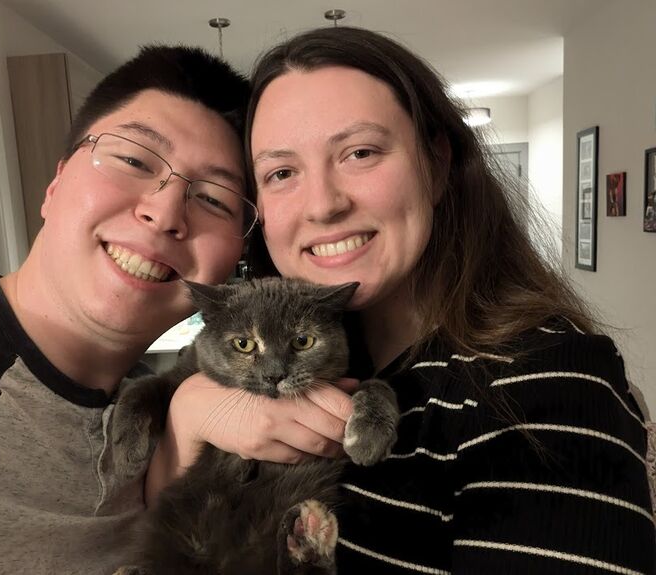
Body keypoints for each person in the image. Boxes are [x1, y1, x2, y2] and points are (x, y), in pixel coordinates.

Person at [151, 27, 655, 574]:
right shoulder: (317, 358)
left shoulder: (542, 383)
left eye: (360, 152)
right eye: (281, 172)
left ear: (436, 163)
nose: (322, 205)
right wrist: (184, 422)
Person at [0, 44, 354, 574]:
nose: (163, 212)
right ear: (56, 181)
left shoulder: (172, 403)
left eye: (214, 199)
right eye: (133, 160)